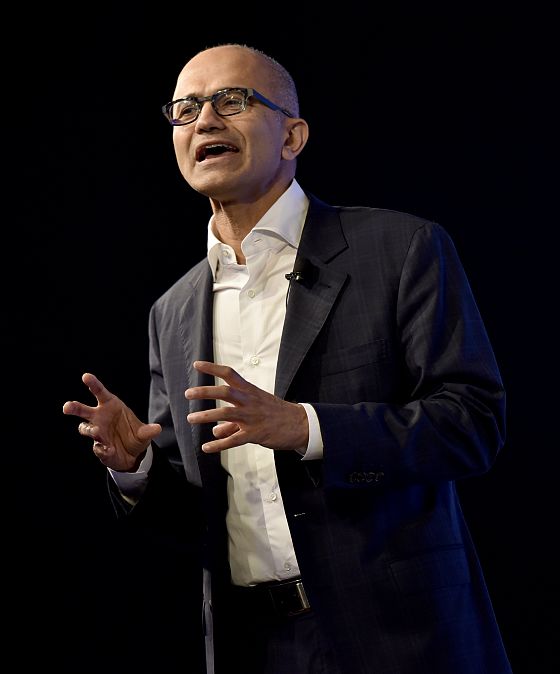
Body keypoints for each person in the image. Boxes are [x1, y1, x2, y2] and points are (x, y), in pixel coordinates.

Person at [62, 43, 513, 674]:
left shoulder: (400, 248)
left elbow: (472, 424)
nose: (205, 120)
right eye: (185, 109)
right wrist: (136, 468)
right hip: (251, 645)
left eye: (232, 101)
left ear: (292, 135)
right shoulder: (173, 310)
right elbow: (194, 515)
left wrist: (306, 427)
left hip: (399, 637)